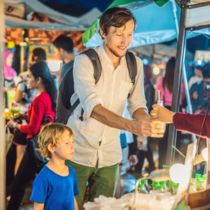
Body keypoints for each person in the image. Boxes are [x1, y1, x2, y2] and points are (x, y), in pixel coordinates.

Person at [67, 7, 152, 209]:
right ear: (103, 32)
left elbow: (138, 104)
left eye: (129, 34)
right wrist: (131, 126)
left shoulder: (135, 64)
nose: (125, 41)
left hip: (110, 155)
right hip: (78, 149)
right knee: (70, 206)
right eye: (118, 34)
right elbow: (93, 106)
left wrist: (145, 120)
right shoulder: (85, 60)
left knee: (103, 207)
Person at [6, 61, 57, 210]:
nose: (27, 80)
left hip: (34, 148)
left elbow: (33, 129)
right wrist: (26, 116)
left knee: (18, 185)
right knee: (42, 183)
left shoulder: (39, 100)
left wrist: (15, 125)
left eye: (29, 77)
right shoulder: (47, 96)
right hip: (40, 147)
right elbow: (39, 121)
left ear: (38, 79)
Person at [30, 123, 79, 210]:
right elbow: (38, 207)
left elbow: (72, 198)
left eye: (72, 142)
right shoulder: (43, 178)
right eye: (67, 143)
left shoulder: (71, 172)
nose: (72, 146)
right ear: (52, 147)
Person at [155, 57, 185, 168]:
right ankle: (174, 170)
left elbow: (159, 100)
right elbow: (182, 99)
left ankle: (161, 169)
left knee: (163, 143)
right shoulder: (180, 82)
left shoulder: (161, 81)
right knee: (176, 143)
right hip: (178, 111)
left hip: (164, 111)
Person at [53, 34, 75, 123]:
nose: (55, 54)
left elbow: (63, 92)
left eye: (55, 51)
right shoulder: (76, 63)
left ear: (61, 50)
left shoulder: (68, 67)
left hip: (68, 114)